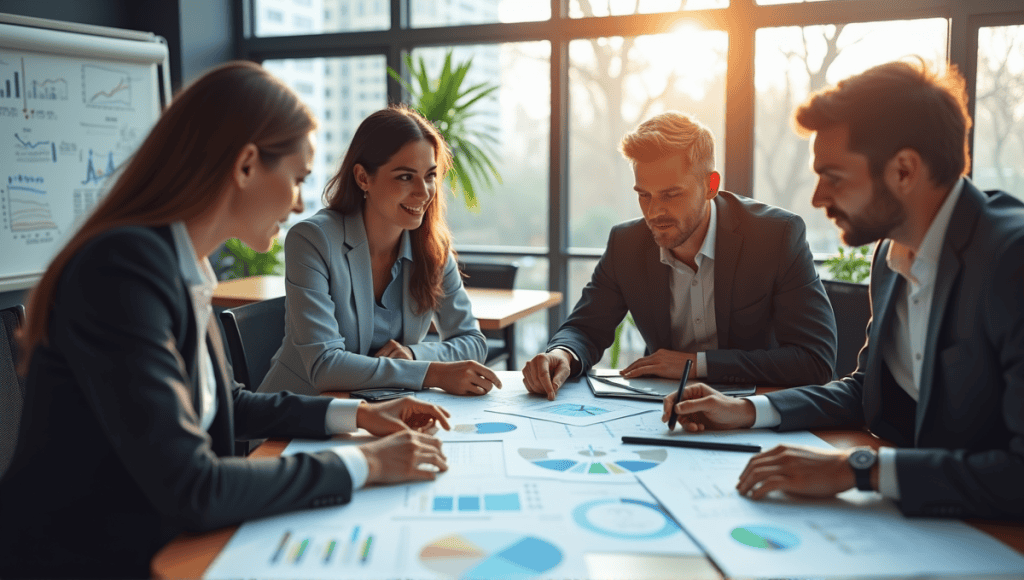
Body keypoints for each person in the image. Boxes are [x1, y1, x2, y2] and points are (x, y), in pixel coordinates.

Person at [0, 62, 453, 579]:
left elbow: (226, 400)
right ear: (245, 166)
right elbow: (194, 487)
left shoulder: (183, 263)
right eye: (298, 178)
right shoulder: (122, 271)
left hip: (158, 545)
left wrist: (357, 417)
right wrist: (368, 463)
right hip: (81, 560)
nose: (302, 202)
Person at [663, 59, 1024, 520]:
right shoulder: (891, 257)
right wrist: (745, 410)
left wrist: (859, 469)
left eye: (832, 176)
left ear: (905, 171)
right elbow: (868, 391)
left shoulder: (1012, 259)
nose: (817, 198)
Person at [523, 111, 837, 400]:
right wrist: (563, 354)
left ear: (710, 185)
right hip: (660, 409)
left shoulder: (775, 237)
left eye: (671, 195)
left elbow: (815, 359)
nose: (654, 212)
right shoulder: (627, 243)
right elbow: (586, 328)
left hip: (752, 408)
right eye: (644, 196)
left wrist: (696, 365)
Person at [259, 106, 500, 397]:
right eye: (404, 177)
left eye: (430, 175)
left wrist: (413, 354)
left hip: (381, 410)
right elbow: (325, 366)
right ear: (363, 178)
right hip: (296, 417)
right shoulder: (312, 240)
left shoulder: (432, 247)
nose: (423, 192)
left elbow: (472, 341)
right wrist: (431, 372)